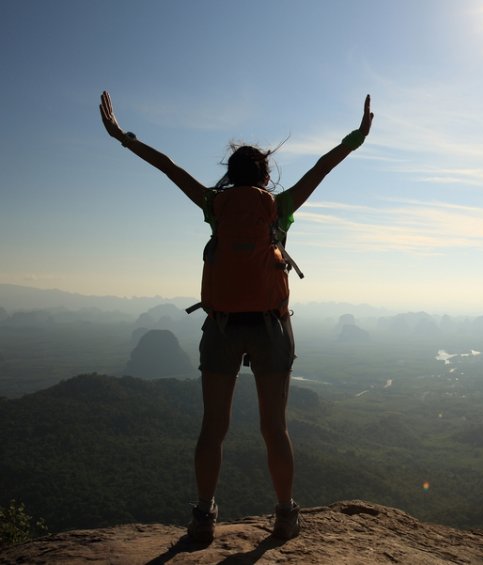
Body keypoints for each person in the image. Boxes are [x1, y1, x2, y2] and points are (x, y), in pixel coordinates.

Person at [99, 90, 373, 542]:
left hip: (222, 327)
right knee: (274, 428)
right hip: (270, 326)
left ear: (230, 175)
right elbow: (324, 166)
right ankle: (285, 515)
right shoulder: (279, 208)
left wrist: (122, 137)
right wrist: (357, 136)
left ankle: (204, 518)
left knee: (214, 427)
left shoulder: (214, 205)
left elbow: (167, 165)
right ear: (266, 174)